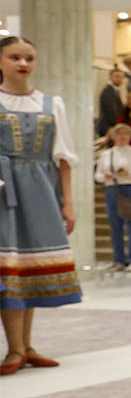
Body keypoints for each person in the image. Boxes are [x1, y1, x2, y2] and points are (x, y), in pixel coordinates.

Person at [0, 35, 81, 374]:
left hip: (42, 190)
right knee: (11, 267)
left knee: (30, 265)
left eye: (29, 58)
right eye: (15, 57)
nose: (23, 63)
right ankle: (15, 349)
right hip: (4, 191)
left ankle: (25, 346)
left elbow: (63, 158)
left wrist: (68, 202)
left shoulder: (52, 103)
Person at [95, 123, 131, 271]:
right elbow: (98, 176)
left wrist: (129, 173)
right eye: (119, 134)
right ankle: (118, 259)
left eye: (125, 134)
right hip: (112, 189)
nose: (122, 137)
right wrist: (106, 177)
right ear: (114, 136)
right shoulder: (106, 154)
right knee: (115, 226)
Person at [96, 67, 127, 138]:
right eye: (117, 76)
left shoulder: (114, 90)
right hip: (107, 128)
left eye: (121, 77)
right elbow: (112, 113)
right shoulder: (108, 91)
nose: (119, 79)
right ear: (110, 76)